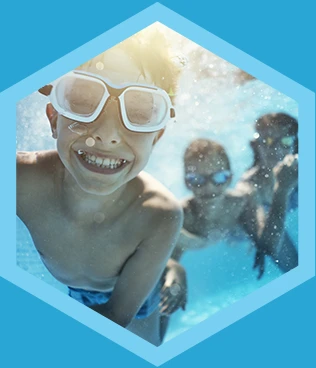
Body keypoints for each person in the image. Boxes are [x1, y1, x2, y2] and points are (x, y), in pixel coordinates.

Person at [16, 28, 183, 346]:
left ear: (156, 137)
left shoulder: (160, 214)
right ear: (54, 119)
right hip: (77, 292)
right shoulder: (18, 178)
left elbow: (118, 315)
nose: (106, 134)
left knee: (150, 347)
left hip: (134, 298)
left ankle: (168, 268)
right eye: (82, 100)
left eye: (139, 112)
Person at [160, 113, 298, 338]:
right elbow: (166, 260)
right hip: (205, 236)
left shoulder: (241, 202)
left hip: (237, 231)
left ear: (231, 177)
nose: (209, 188)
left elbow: (269, 243)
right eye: (197, 180)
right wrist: (174, 273)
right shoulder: (182, 216)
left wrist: (258, 241)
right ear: (186, 181)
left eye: (220, 177)